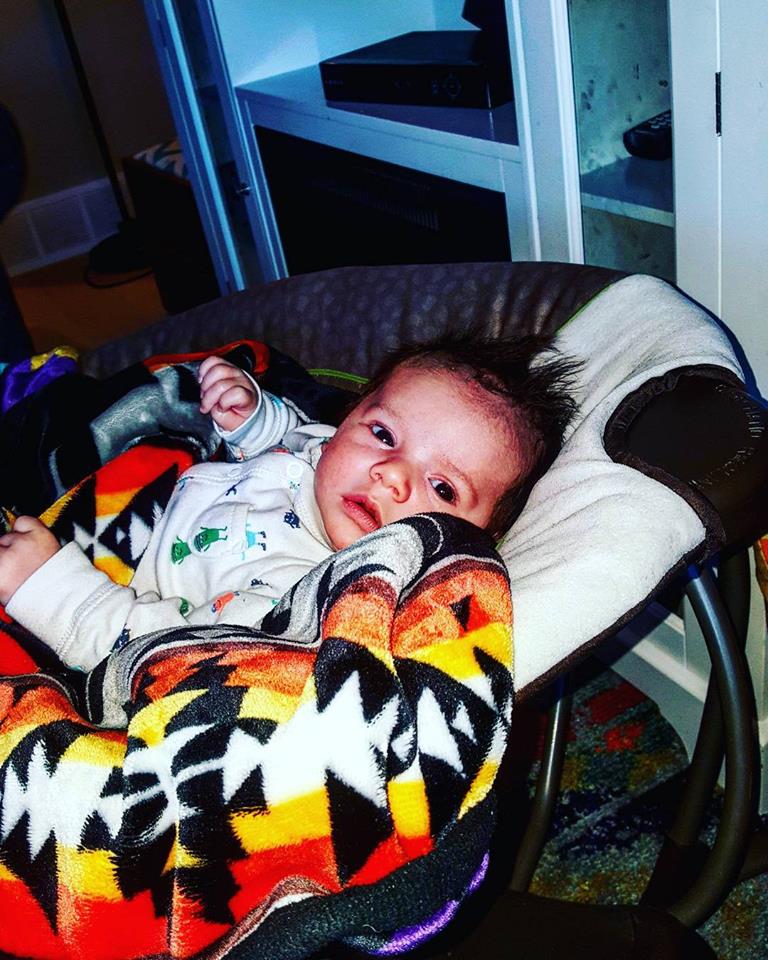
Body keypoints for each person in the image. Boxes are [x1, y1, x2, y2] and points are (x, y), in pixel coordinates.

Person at [0, 331, 578, 671]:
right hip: (141, 494)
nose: (390, 474)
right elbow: (303, 438)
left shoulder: (309, 601)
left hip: (104, 599)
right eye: (383, 433)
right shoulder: (336, 459)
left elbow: (165, 655)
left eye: (443, 487)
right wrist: (253, 416)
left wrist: (50, 590)